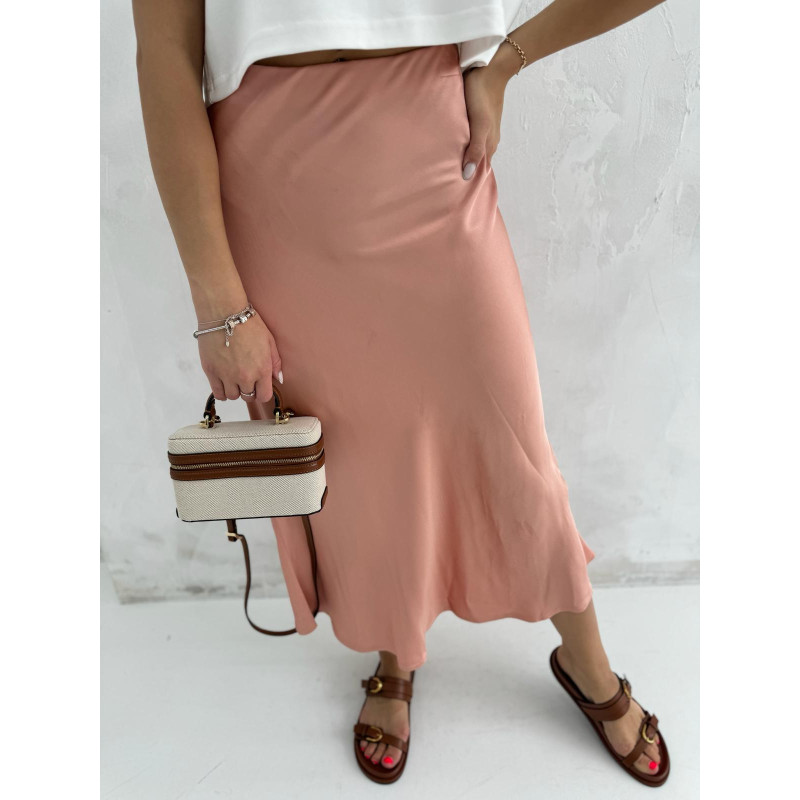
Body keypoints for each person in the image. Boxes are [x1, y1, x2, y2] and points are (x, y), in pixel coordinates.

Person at [132, 0, 671, 787]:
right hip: (278, 190)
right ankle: (397, 648)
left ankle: (586, 659)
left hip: (433, 151)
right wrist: (219, 303)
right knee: (361, 464)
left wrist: (508, 60)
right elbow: (166, 59)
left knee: (512, 443)